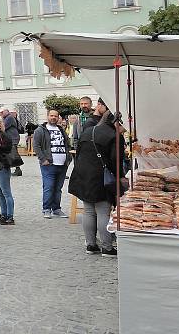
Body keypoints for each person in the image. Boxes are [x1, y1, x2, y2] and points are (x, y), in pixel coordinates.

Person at [69, 100, 124, 257]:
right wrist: (120, 177)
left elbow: (78, 153)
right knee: (103, 211)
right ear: (116, 122)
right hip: (101, 178)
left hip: (84, 175)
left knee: (88, 211)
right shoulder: (114, 136)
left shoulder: (88, 131)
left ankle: (91, 245)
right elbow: (116, 161)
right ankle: (107, 247)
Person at [34, 109, 72, 219]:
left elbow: (67, 144)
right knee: (48, 187)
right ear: (47, 116)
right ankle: (46, 209)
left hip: (62, 164)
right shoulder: (41, 130)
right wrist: (43, 159)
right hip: (48, 164)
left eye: (55, 116)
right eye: (51, 115)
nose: (53, 118)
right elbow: (36, 146)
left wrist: (68, 158)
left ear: (58, 117)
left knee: (58, 188)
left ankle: (56, 209)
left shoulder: (61, 129)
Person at [1, 107, 23, 176]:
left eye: (2, 112)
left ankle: (18, 169)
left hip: (13, 138)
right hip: (11, 138)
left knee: (14, 153)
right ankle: (17, 169)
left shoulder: (9, 117)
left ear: (6, 111)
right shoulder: (6, 118)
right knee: (13, 153)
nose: (1, 113)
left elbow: (3, 127)